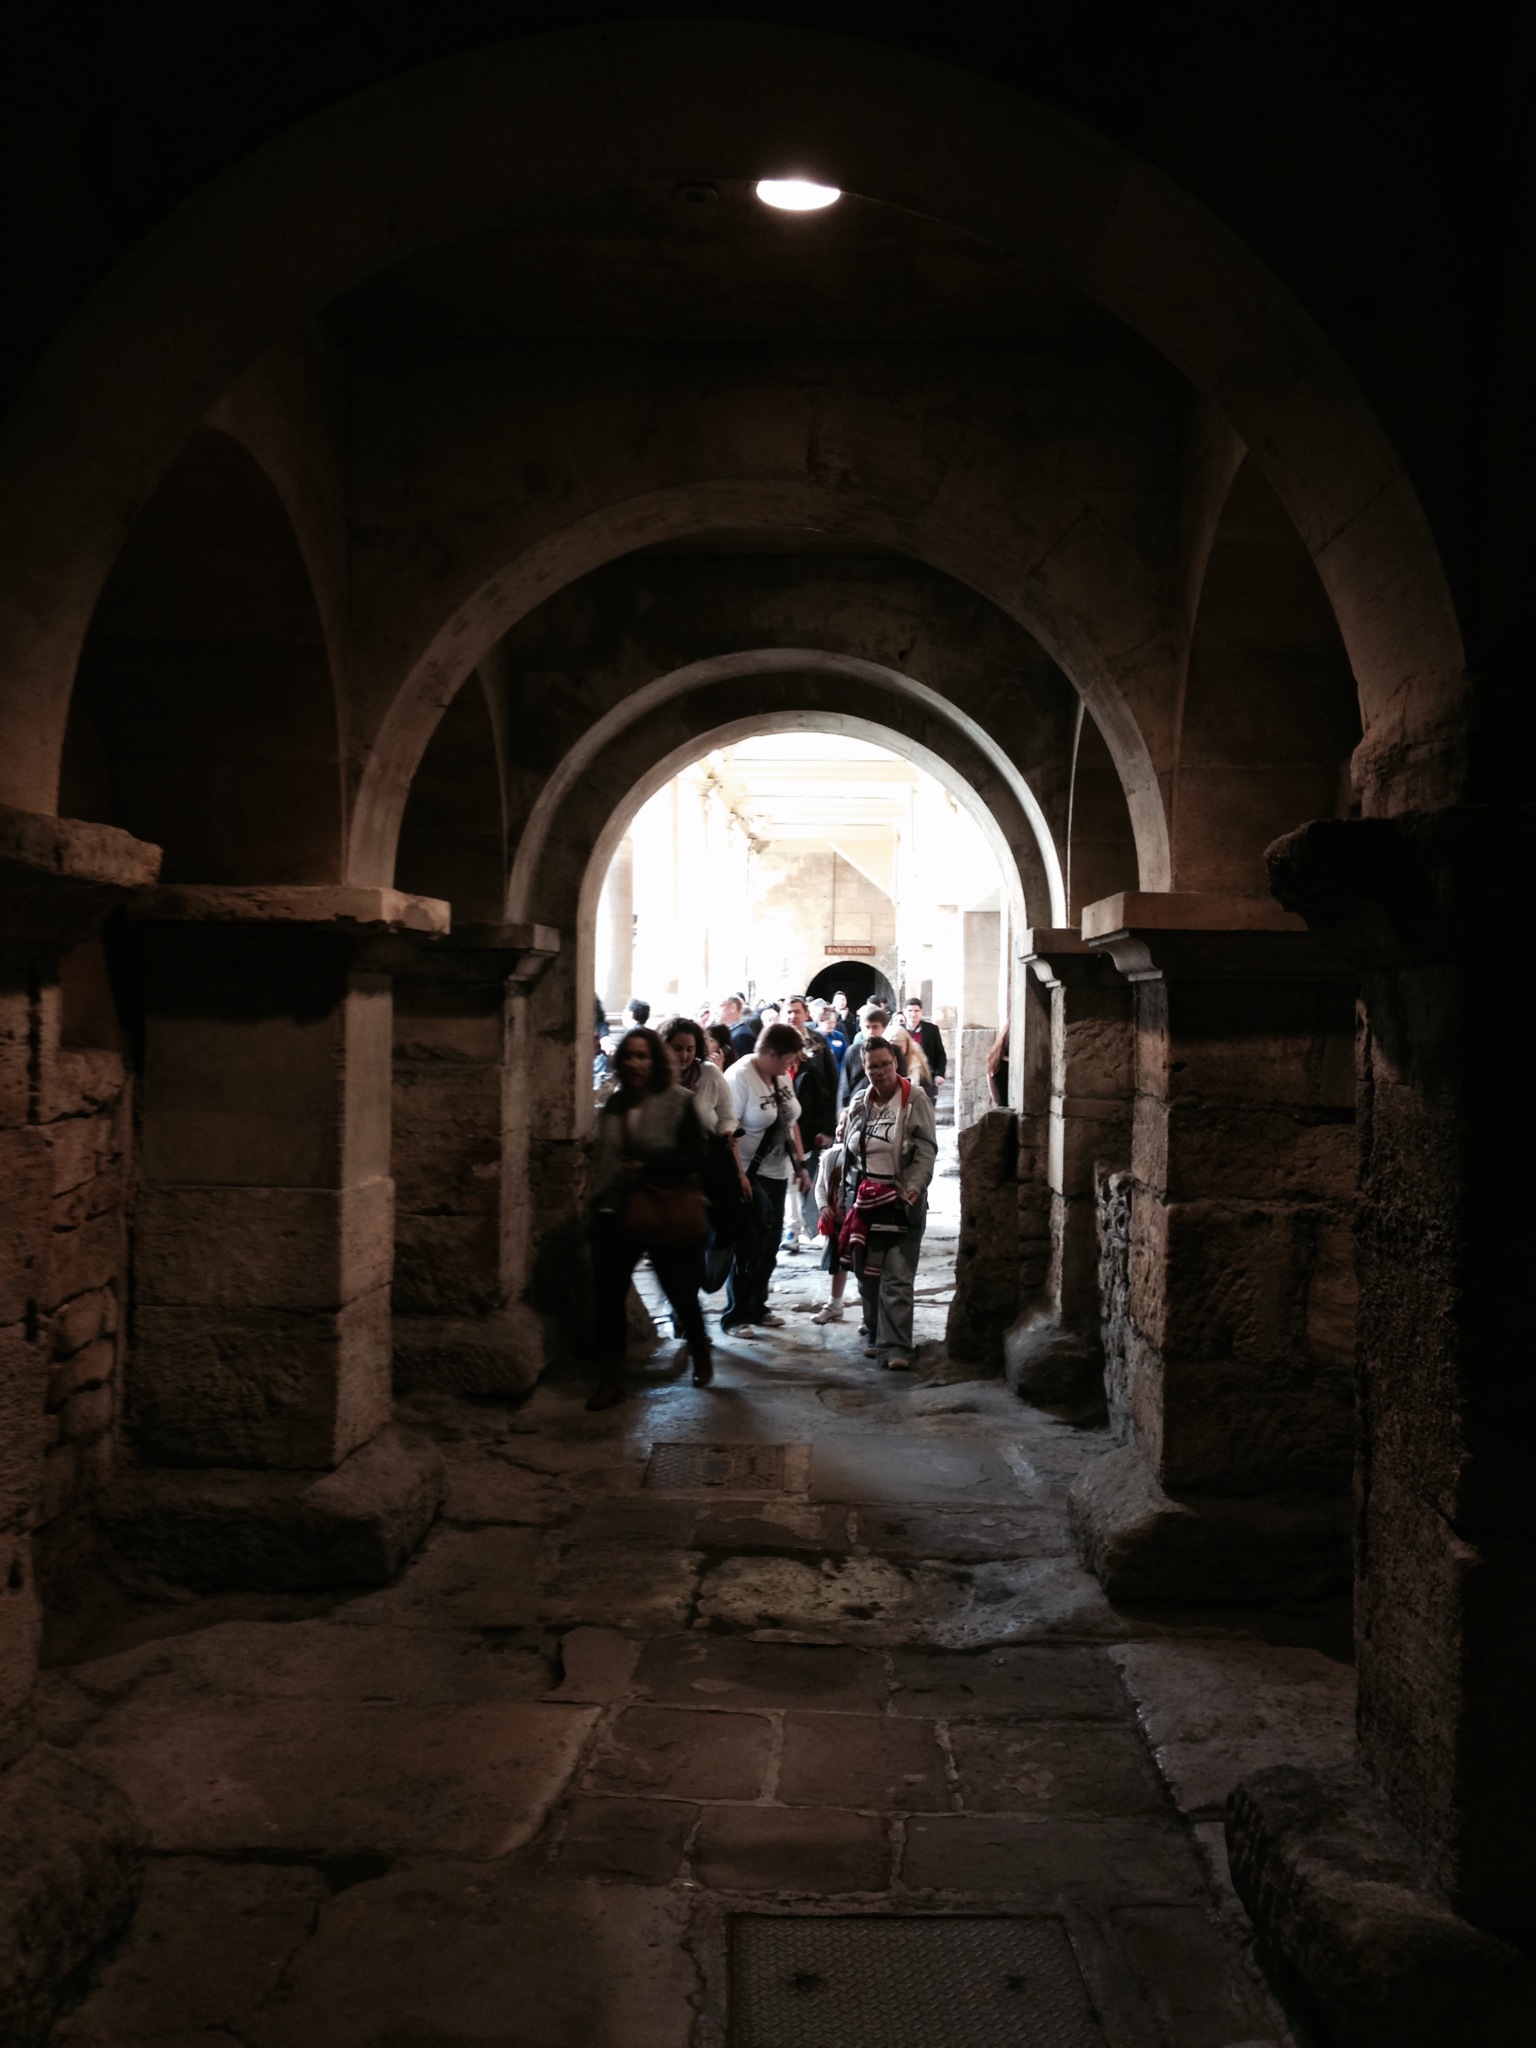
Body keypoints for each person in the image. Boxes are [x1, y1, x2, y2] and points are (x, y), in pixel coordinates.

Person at [586, 1027, 713, 1411]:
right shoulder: (615, 1105)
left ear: (655, 1061)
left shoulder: (677, 1102)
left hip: (664, 1208)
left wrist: (650, 1165)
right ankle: (611, 1378)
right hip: (617, 1210)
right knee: (608, 1298)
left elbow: (698, 1156)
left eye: (643, 1056)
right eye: (629, 1056)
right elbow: (604, 1162)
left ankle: (700, 1348)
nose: (635, 1063)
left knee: (680, 1293)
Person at [840, 1037, 937, 1371]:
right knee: (867, 1275)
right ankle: (874, 1332)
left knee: (896, 1276)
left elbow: (925, 1149)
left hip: (900, 1200)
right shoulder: (860, 1102)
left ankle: (896, 1347)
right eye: (872, 1067)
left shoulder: (914, 1099)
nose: (879, 1072)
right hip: (866, 1200)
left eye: (885, 1064)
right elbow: (849, 1152)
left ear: (896, 1063)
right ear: (864, 1069)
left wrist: (913, 1187)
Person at [720, 1021, 812, 1338]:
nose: (791, 1066)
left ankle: (758, 1306)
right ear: (771, 1053)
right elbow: (727, 1130)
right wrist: (738, 1177)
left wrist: (800, 1164)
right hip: (748, 1173)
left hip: (777, 1172)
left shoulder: (778, 1074)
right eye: (788, 1060)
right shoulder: (739, 1078)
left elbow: (789, 1122)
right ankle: (735, 1316)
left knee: (770, 1244)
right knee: (749, 1244)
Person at [782, 997, 838, 1251]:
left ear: (806, 1014)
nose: (792, 1016)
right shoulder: (774, 1041)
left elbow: (830, 1087)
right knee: (789, 1179)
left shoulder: (819, 1045)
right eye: (788, 1012)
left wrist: (828, 1128)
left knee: (810, 1177)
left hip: (809, 1123)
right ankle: (792, 1229)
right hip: (782, 1127)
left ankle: (813, 1225)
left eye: (796, 1011)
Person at [837, 1003, 907, 1110]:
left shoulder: (894, 1051)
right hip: (857, 1106)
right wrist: (843, 1111)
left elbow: (902, 1082)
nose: (871, 1031)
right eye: (867, 1027)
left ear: (883, 1027)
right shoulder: (852, 1051)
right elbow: (845, 1086)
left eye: (875, 1027)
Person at [902, 998, 948, 1100]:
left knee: (926, 1108)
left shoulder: (932, 1030)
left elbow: (940, 1054)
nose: (913, 1014)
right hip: (904, 1077)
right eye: (910, 1011)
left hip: (926, 1076)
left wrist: (939, 1074)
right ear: (904, 1012)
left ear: (921, 1012)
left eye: (916, 1011)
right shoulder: (899, 1030)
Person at [815, 1001, 847, 1069]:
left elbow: (845, 1056)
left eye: (834, 1022)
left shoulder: (839, 1036)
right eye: (829, 1023)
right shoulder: (814, 1037)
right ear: (820, 1022)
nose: (832, 1025)